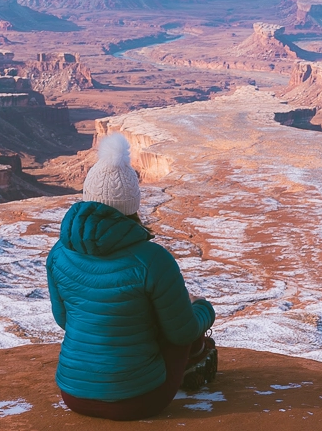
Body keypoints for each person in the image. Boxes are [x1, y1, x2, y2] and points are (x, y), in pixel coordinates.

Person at [46, 133, 216, 421]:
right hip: (139, 400)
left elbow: (65, 320)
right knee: (182, 322)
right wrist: (204, 309)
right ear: (133, 204)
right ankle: (196, 360)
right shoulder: (152, 259)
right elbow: (182, 332)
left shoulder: (59, 253)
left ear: (88, 198)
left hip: (73, 395)